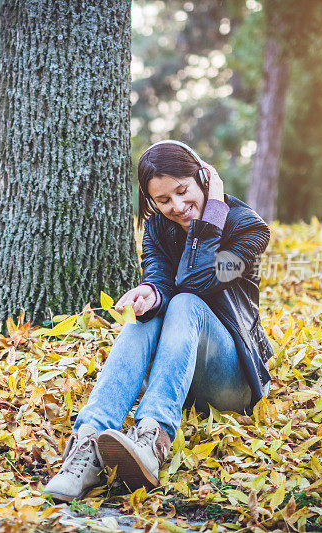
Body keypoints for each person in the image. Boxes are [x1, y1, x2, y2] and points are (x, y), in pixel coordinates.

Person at [42, 140, 274, 502]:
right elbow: (163, 279)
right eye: (163, 201)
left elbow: (199, 283)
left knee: (184, 303)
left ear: (203, 179)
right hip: (182, 375)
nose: (177, 207)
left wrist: (211, 214)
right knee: (146, 316)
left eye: (183, 192)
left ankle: (153, 436)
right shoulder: (157, 229)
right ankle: (87, 445)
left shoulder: (250, 230)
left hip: (235, 381)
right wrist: (151, 292)